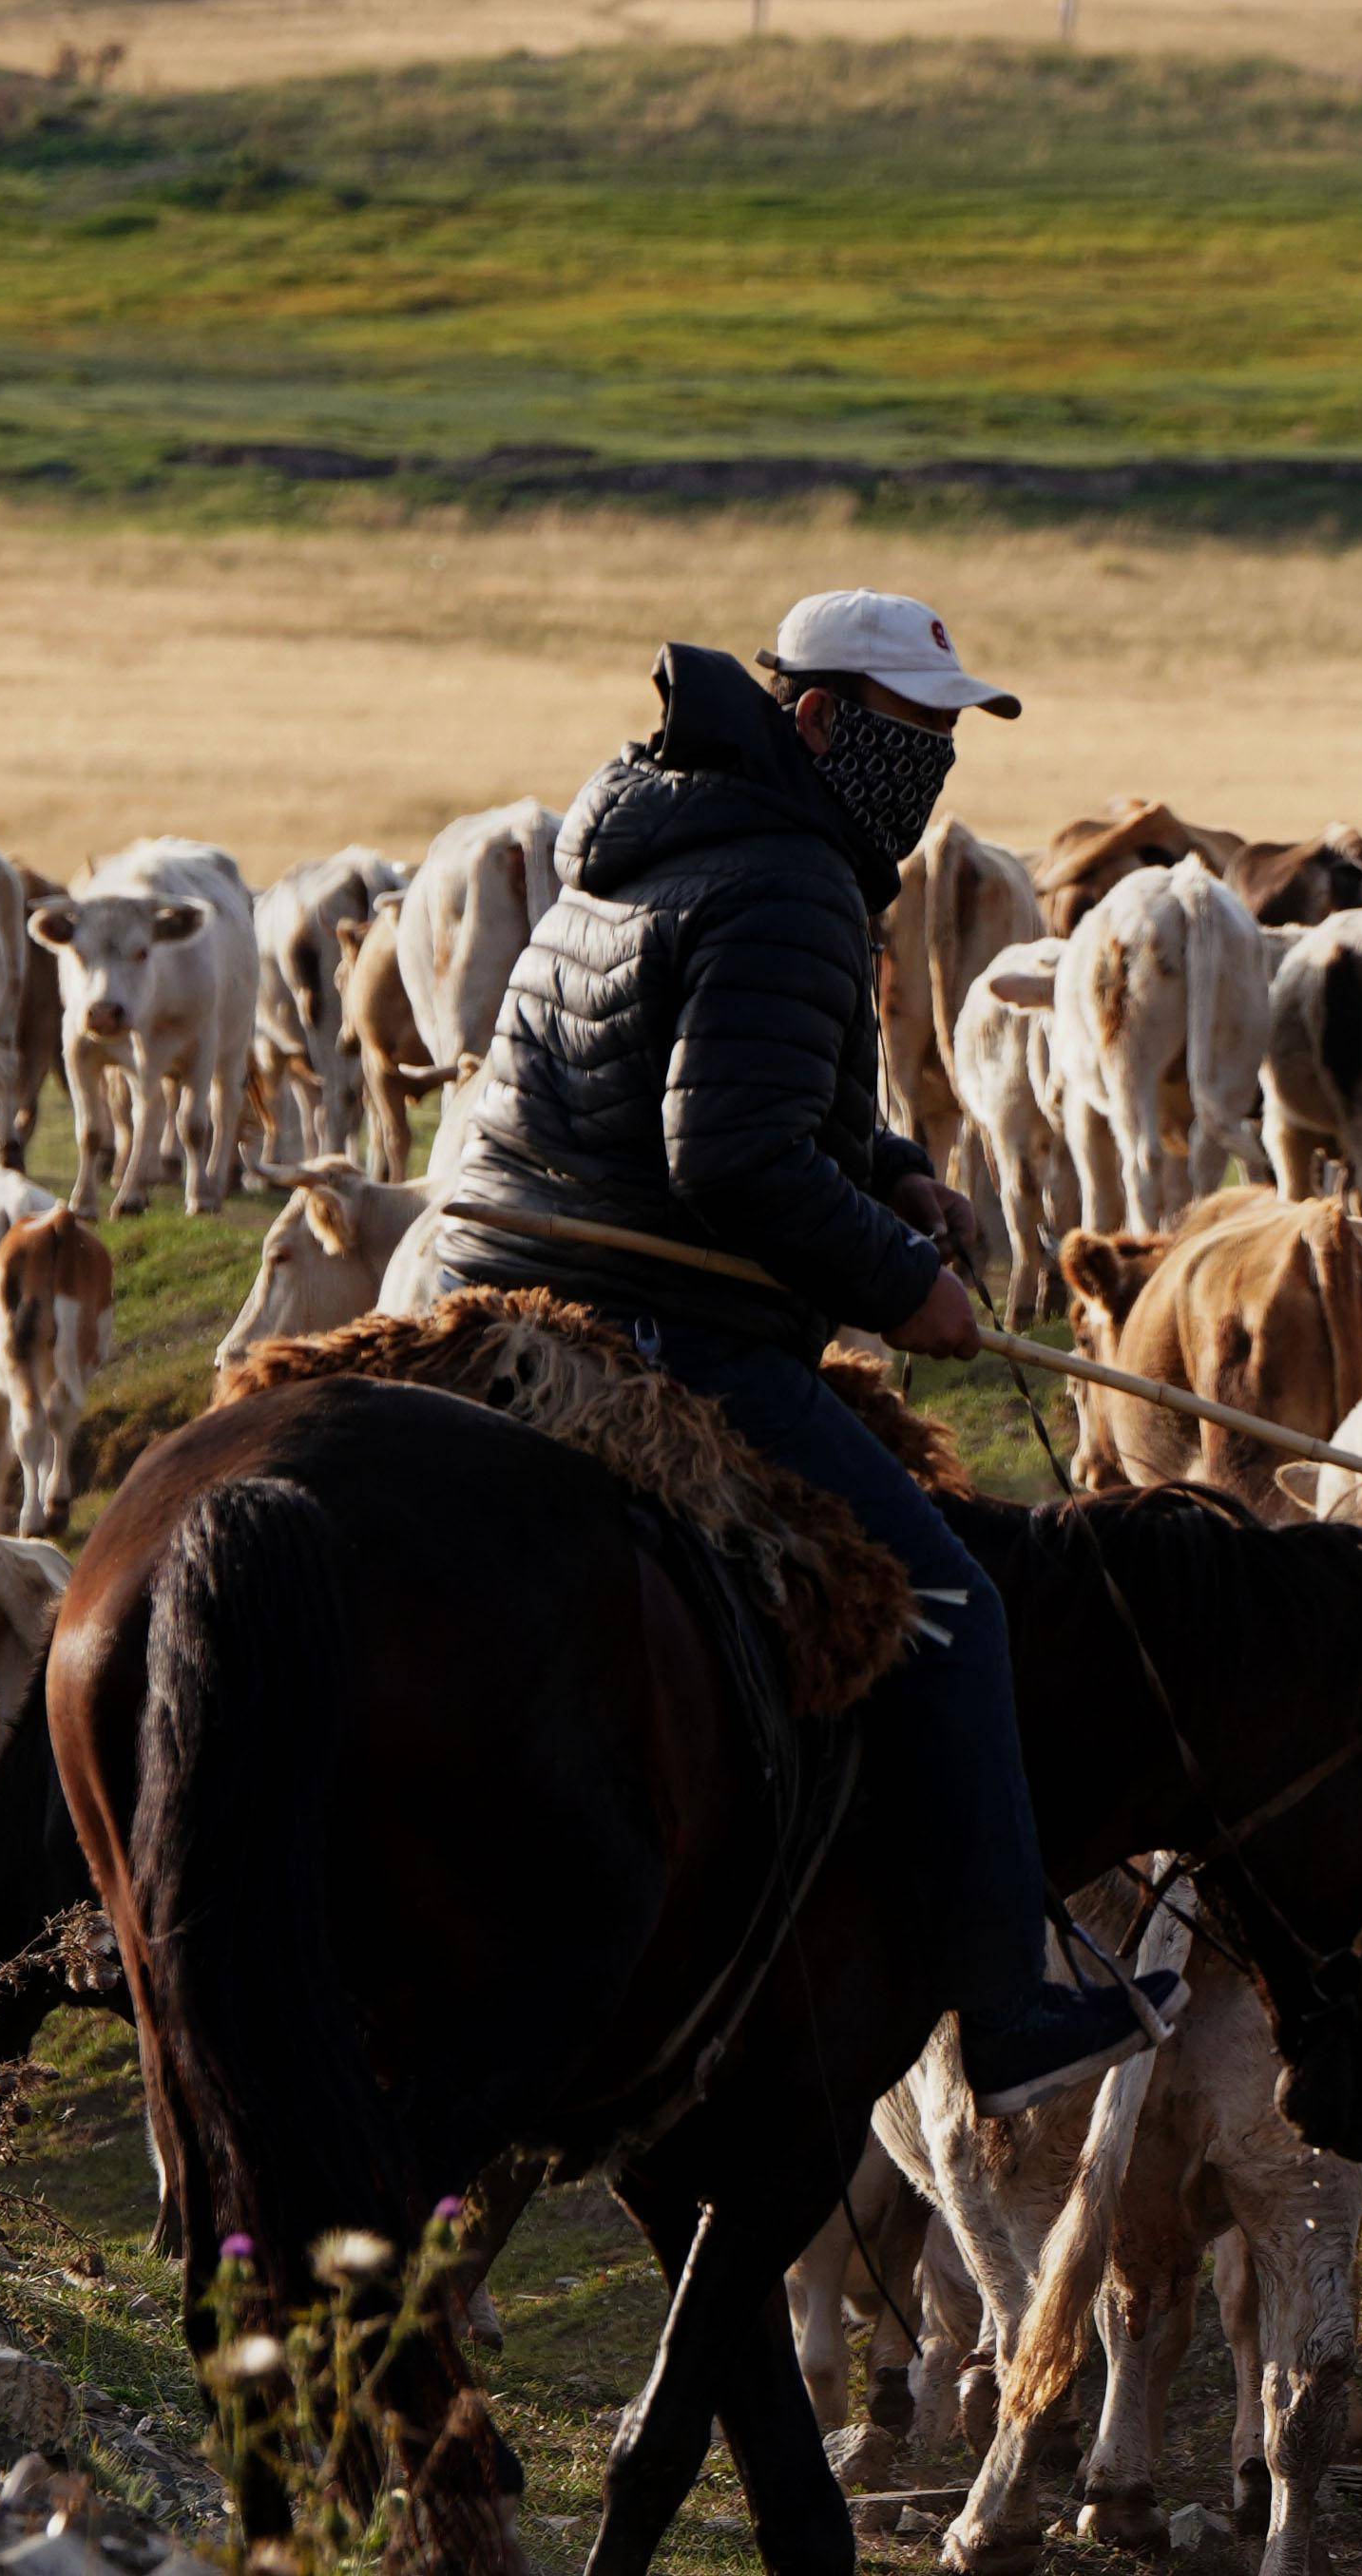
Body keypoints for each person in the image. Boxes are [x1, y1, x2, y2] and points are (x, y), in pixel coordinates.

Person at [404, 585, 1157, 2112]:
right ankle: (1007, 2007)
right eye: (912, 730)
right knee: (943, 1601)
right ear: (816, 719)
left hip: (511, 1269)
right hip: (646, 1314)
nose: (934, 763)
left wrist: (882, 1164)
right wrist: (901, 1287)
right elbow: (730, 1157)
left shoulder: (671, 824)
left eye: (948, 735)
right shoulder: (796, 876)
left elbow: (700, 1062)